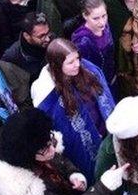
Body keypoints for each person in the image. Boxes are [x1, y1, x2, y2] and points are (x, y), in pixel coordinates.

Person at [0, 108, 127, 195]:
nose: (53, 149)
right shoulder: (30, 190)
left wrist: (74, 175)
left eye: (50, 141)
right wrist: (104, 187)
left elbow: (61, 161)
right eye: (45, 148)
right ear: (27, 156)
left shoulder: (40, 148)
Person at [31, 38, 116, 180]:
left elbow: (104, 97)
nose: (77, 64)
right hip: (87, 147)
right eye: (70, 62)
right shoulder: (48, 97)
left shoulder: (88, 69)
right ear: (56, 65)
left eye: (77, 58)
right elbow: (62, 129)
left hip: (105, 131)